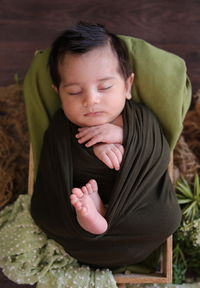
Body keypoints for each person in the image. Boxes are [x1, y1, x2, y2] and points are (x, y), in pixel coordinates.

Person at [31, 21, 181, 269]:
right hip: (78, 204)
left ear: (127, 86)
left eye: (105, 87)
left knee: (165, 218)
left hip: (140, 212)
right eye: (74, 92)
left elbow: (159, 153)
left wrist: (126, 136)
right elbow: (54, 167)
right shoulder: (60, 128)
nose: (91, 100)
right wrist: (93, 148)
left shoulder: (141, 119)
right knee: (58, 207)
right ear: (57, 92)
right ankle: (92, 213)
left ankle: (101, 214)